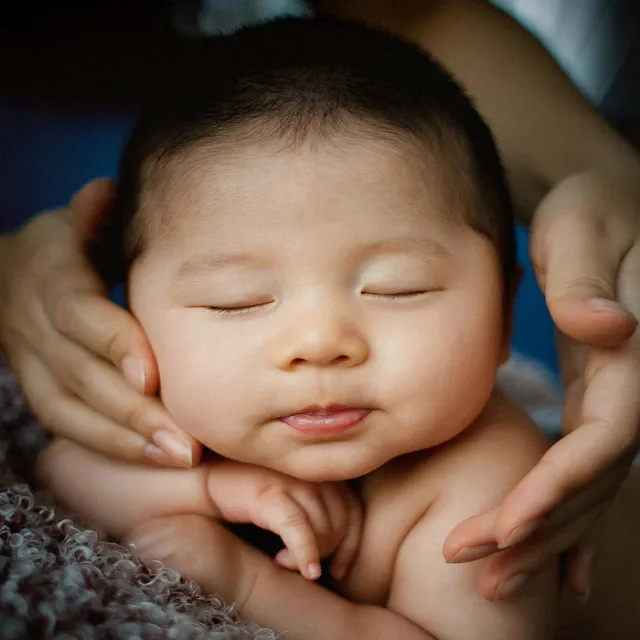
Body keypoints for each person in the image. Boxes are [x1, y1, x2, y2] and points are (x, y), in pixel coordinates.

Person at [1, 0, 639, 601]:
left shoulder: (493, 479)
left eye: (398, 287)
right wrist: (216, 490)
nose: (319, 342)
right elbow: (62, 469)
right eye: (236, 301)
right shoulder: (191, 412)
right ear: (129, 310)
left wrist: (248, 587)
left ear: (504, 312)